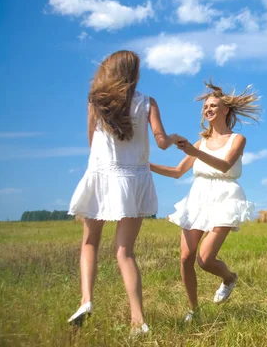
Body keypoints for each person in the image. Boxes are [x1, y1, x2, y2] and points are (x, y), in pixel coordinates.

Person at [67, 51, 182, 334]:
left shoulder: (96, 101)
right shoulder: (148, 103)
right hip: (133, 179)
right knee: (125, 252)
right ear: (135, 74)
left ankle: (86, 300)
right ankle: (138, 320)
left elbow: (91, 141)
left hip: (102, 174)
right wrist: (175, 139)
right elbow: (162, 141)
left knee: (90, 241)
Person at [150, 81, 260, 322]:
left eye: (213, 105)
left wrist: (194, 151)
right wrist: (145, 165)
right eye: (205, 106)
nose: (207, 109)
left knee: (205, 259)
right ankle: (193, 310)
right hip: (197, 198)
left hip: (225, 197)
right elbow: (177, 172)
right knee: (186, 257)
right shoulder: (200, 143)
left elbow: (224, 166)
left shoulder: (237, 139)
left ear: (226, 110)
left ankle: (229, 278)